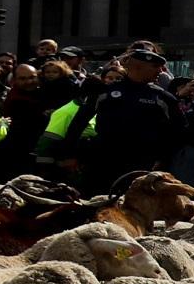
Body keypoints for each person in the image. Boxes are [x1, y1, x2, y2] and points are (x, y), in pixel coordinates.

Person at [78, 40, 184, 188]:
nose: (161, 71)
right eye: (155, 67)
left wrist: (163, 159)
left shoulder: (163, 98)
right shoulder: (104, 92)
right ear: (138, 67)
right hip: (103, 160)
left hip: (141, 164)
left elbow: (177, 132)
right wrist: (69, 154)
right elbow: (79, 121)